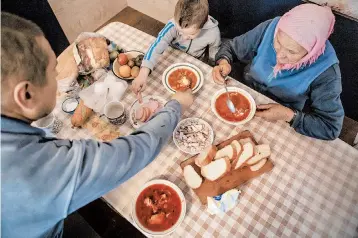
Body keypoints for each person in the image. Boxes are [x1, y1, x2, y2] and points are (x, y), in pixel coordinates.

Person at [1, 12, 194, 238]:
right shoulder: (36, 169)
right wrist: (175, 106)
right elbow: (134, 151)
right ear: (26, 94)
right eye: (53, 71)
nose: (59, 79)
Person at [212, 4, 344, 140]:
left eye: (291, 52)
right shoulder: (273, 27)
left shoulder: (326, 70)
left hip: (280, 116)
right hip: (245, 91)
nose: (279, 56)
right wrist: (224, 61)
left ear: (312, 51)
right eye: (278, 42)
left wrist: (288, 115)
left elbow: (330, 127)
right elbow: (232, 48)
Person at [132, 0, 221, 95]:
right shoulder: (172, 25)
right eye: (180, 31)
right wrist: (143, 73)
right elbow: (157, 45)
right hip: (172, 60)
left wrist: (217, 68)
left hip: (196, 64)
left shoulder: (213, 33)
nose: (184, 37)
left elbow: (215, 57)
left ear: (203, 23)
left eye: (191, 34)